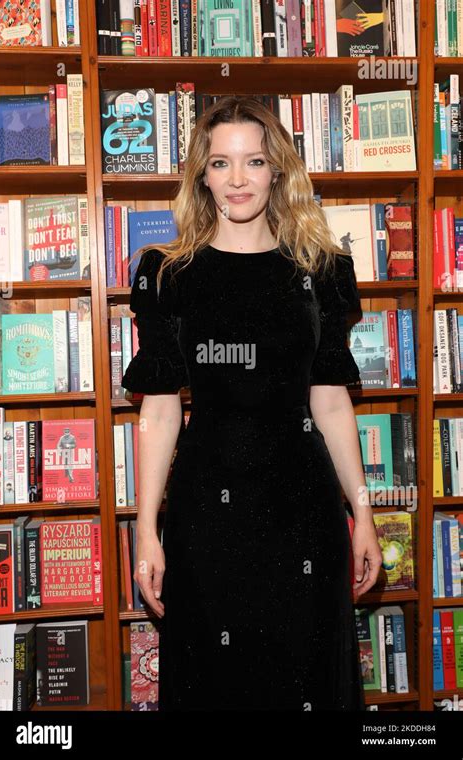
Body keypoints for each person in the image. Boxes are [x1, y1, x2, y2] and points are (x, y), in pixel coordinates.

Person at [121, 95, 383, 711]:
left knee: (307, 676)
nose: (237, 179)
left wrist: (364, 511)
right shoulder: (167, 274)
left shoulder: (320, 270)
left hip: (304, 512)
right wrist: (146, 530)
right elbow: (159, 414)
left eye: (255, 161)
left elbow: (332, 404)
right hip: (206, 514)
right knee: (216, 682)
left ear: (278, 170)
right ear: (201, 174)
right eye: (220, 163)